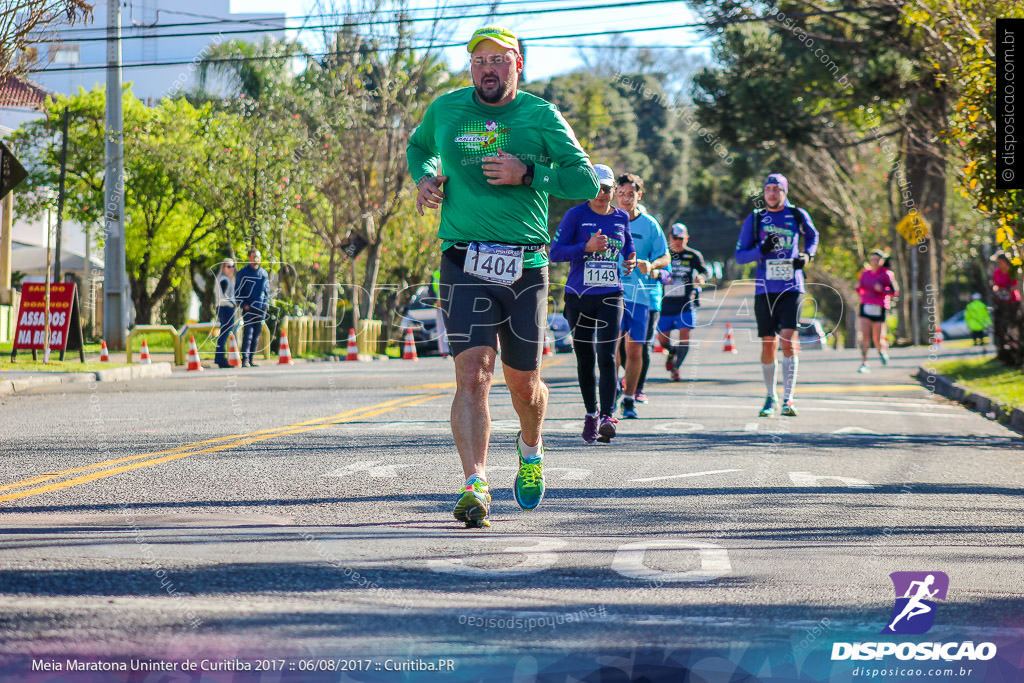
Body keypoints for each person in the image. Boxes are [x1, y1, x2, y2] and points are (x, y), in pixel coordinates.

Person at [407, 26, 600, 527]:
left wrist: (529, 174)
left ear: (518, 64)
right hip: (463, 259)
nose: (486, 68)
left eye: (498, 59)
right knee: (472, 374)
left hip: (524, 266)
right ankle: (475, 483)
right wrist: (425, 178)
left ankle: (531, 450)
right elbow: (418, 147)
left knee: (524, 384)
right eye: (478, 61)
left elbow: (584, 180)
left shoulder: (540, 116)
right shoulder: (446, 109)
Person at [550, 163, 636, 443]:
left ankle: (608, 416)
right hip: (579, 297)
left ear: (613, 190)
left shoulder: (621, 218)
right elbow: (556, 252)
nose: (601, 193)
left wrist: (631, 261)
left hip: (612, 294)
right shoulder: (576, 215)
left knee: (608, 354)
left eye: (607, 189)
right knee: (585, 358)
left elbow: (629, 248)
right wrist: (584, 248)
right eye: (596, 188)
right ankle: (591, 413)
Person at [734, 173, 819, 417]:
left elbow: (813, 236)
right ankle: (770, 396)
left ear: (785, 191)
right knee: (768, 343)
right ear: (764, 192)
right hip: (764, 290)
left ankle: (789, 399)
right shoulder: (755, 219)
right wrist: (762, 250)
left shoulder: (797, 215)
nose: (772, 193)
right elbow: (740, 256)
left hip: (791, 287)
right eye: (768, 189)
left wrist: (807, 255)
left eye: (777, 189)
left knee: (788, 338)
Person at [613, 173, 669, 419]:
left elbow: (665, 257)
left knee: (635, 350)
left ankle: (629, 399)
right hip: (610, 294)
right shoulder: (607, 219)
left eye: (631, 194)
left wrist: (652, 265)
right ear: (616, 194)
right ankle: (611, 390)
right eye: (622, 193)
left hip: (641, 296)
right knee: (611, 347)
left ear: (639, 195)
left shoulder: (650, 224)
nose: (626, 198)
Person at [656, 224, 709, 381]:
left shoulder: (693, 255)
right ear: (670, 238)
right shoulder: (664, 255)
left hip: (686, 302)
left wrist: (701, 278)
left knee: (685, 335)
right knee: (662, 339)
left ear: (687, 238)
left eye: (681, 238)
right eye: (675, 238)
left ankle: (676, 368)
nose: (678, 241)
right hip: (665, 303)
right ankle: (672, 351)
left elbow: (704, 271)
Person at [856, 249, 898, 373]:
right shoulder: (865, 273)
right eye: (872, 260)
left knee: (877, 339)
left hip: (879, 308)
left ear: (882, 261)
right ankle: (864, 362)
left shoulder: (887, 274)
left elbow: (894, 292)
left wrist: (882, 289)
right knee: (864, 336)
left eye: (877, 260)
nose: (874, 262)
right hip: (865, 306)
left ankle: (881, 350)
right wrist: (857, 287)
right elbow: (860, 288)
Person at [234, 248, 270, 368]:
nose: (256, 260)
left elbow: (267, 291)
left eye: (258, 257)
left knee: (256, 334)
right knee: (248, 333)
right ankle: (245, 359)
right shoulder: (243, 273)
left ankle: (252, 359)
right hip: (249, 308)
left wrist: (266, 304)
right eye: (254, 257)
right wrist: (244, 304)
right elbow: (238, 291)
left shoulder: (264, 273)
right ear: (249, 258)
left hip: (261, 308)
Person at [991, 252, 1022, 364]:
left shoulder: (1012, 271)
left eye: (1000, 262)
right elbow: (996, 284)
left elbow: (1016, 285)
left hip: (1013, 301)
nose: (998, 264)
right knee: (1001, 326)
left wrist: (1009, 289)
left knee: (1014, 323)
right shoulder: (997, 272)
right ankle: (1004, 352)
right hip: (1001, 301)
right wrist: (997, 290)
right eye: (997, 262)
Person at [214, 258, 237, 369]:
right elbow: (222, 296)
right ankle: (220, 359)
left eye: (232, 266)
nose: (231, 269)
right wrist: (232, 303)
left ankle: (220, 358)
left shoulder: (226, 279)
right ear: (223, 268)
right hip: (225, 308)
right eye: (228, 266)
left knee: (225, 333)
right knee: (224, 333)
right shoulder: (223, 279)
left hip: (224, 307)